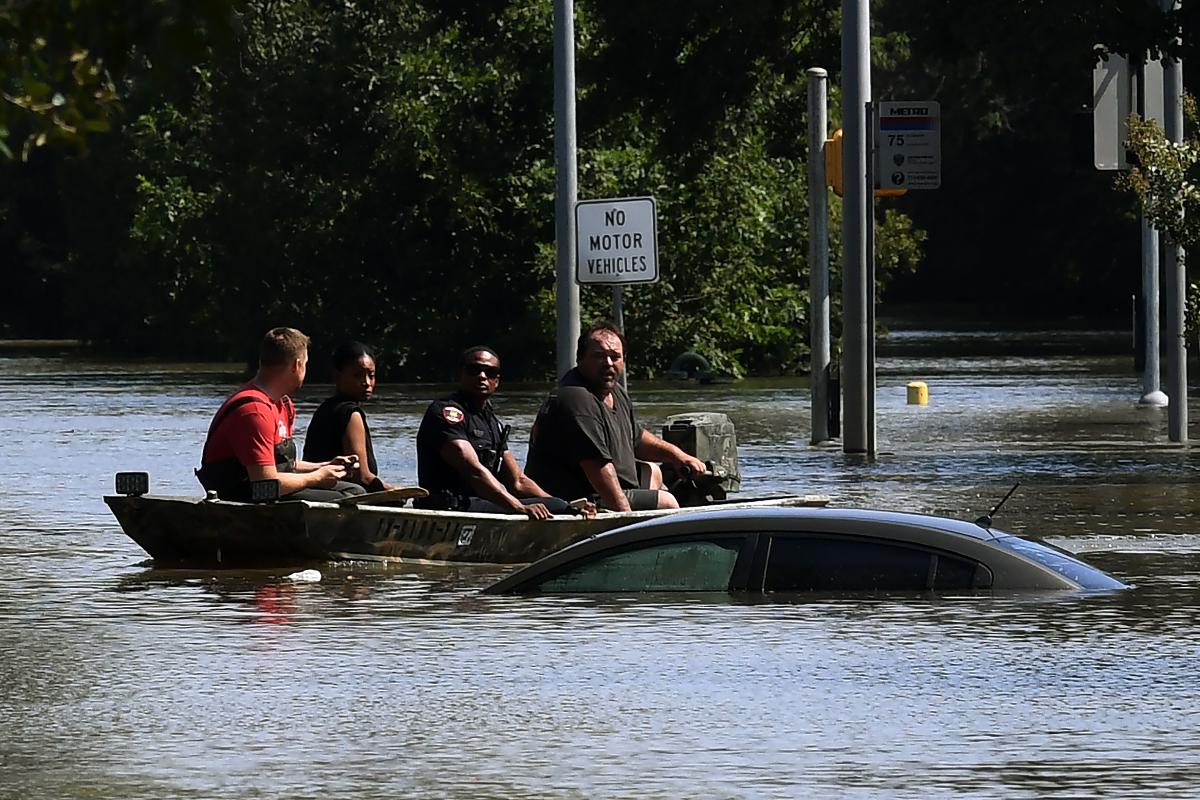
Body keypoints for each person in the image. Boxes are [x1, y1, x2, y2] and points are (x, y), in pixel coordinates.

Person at [525, 320, 707, 511]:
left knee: (652, 471)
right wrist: (627, 521)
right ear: (580, 359)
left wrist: (678, 456)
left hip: (606, 488)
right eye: (599, 356)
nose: (608, 363)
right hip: (578, 500)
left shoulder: (615, 392)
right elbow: (597, 468)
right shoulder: (576, 398)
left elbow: (636, 439)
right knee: (666, 501)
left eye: (615, 356)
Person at [197, 327, 364, 501]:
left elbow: (281, 466)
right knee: (347, 497)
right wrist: (316, 477)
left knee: (354, 490)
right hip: (247, 498)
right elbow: (264, 486)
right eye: (305, 364)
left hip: (267, 488)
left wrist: (323, 467)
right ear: (296, 365)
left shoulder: (283, 404)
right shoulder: (254, 412)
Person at [415, 346, 582, 519]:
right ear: (460, 374)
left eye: (490, 372)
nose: (482, 376)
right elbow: (474, 471)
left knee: (558, 505)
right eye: (474, 369)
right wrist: (518, 507)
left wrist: (568, 508)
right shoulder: (446, 413)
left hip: (483, 504)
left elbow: (517, 481)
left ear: (497, 380)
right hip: (453, 509)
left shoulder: (492, 423)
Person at [303, 341, 393, 493]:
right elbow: (362, 477)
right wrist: (398, 491)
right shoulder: (350, 413)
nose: (367, 383)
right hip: (339, 493)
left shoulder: (325, 409)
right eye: (358, 376)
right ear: (337, 376)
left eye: (371, 375)